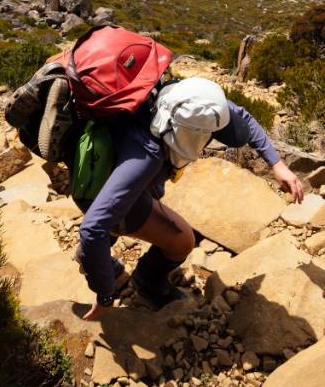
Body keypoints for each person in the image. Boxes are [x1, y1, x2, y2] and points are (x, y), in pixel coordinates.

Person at [72, 76, 304, 320]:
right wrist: (104, 294)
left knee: (149, 194)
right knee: (183, 241)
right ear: (190, 135)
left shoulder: (179, 97)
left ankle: (94, 255)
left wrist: (277, 164)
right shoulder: (146, 158)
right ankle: (145, 283)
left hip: (116, 169)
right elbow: (92, 228)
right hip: (100, 189)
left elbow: (241, 116)